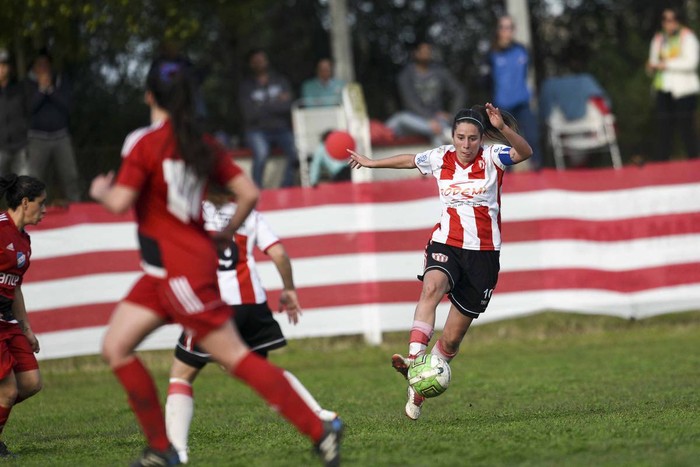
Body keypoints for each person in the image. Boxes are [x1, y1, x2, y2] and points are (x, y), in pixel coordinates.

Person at [89, 58, 343, 466]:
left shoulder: (143, 141)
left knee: (235, 359)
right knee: (115, 346)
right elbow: (248, 193)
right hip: (161, 271)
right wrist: (227, 233)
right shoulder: (204, 143)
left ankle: (320, 430)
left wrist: (101, 189)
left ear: (149, 95)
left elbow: (119, 201)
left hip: (179, 271)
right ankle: (160, 448)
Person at [348, 103, 532, 420]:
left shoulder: (492, 158)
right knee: (432, 286)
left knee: (451, 339)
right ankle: (414, 358)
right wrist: (372, 162)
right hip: (446, 242)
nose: (465, 144)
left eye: (472, 138)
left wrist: (502, 127)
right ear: (453, 136)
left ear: (480, 139)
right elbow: (410, 160)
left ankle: (417, 393)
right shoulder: (441, 157)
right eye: (460, 137)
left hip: (483, 256)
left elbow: (524, 152)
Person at [165, 189, 338, 463]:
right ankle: (321, 416)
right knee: (261, 372)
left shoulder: (194, 214)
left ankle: (177, 452)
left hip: (214, 305)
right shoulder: (248, 215)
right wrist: (289, 290)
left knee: (181, 375)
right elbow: (279, 254)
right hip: (251, 305)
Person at [0, 174, 47, 457]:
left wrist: (27, 329)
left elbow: (14, 287)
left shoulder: (24, 241)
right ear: (25, 202)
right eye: (41, 204)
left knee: (30, 383)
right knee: (7, 390)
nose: (44, 210)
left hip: (7, 320)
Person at [482, 15, 542, 170]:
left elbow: (527, 72)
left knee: (533, 138)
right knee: (506, 145)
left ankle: (540, 176)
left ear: (513, 30)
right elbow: (485, 82)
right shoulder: (491, 54)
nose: (506, 31)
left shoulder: (522, 50)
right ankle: (507, 182)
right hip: (503, 106)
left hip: (522, 102)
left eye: (509, 27)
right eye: (503, 27)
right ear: (498, 30)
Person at [25, 49, 81, 203]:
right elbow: (29, 108)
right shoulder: (27, 84)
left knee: (70, 177)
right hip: (37, 138)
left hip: (61, 137)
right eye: (39, 65)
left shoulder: (61, 81)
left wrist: (51, 90)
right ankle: (32, 213)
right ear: (34, 68)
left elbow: (67, 106)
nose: (43, 68)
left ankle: (76, 210)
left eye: (46, 65)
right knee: (34, 181)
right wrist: (42, 90)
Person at [238, 49, 299, 188]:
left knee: (296, 152)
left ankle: (286, 187)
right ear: (251, 64)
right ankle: (257, 191)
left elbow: (288, 106)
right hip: (257, 130)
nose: (260, 63)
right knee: (261, 154)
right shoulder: (246, 86)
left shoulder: (280, 80)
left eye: (262, 59)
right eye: (256, 61)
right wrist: (275, 102)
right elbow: (249, 114)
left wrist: (261, 105)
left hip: (281, 128)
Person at [386, 41, 466, 147]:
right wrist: (429, 121)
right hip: (414, 120)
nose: (426, 53)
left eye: (428, 51)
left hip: (437, 120)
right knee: (399, 119)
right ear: (415, 53)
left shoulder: (440, 72)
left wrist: (452, 116)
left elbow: (459, 92)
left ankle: (442, 159)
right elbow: (409, 102)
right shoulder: (405, 75)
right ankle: (446, 132)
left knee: (437, 134)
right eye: (423, 51)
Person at [646, 7, 700, 161]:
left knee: (686, 128)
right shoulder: (658, 39)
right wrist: (651, 67)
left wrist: (667, 65)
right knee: (664, 130)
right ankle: (663, 168)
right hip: (663, 88)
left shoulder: (687, 37)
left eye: (672, 19)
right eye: (665, 19)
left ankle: (695, 163)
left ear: (678, 20)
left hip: (684, 90)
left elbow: (691, 63)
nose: (668, 23)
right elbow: (653, 62)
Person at [0, 49, 29, 177]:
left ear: (9, 68)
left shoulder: (20, 89)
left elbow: (29, 113)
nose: (1, 68)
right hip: (1, 148)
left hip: (21, 146)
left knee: (24, 190)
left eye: (4, 65)